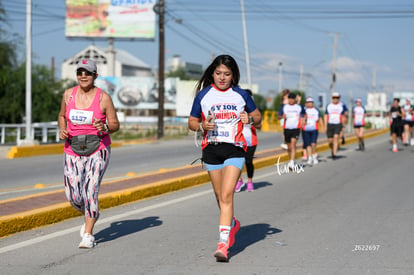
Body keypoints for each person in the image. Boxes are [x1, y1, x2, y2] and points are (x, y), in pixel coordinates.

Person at [188, 55, 262, 262]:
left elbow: (258, 117)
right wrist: (202, 126)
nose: (222, 78)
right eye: (218, 73)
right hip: (211, 150)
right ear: (212, 73)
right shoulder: (204, 95)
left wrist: (250, 119)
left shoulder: (240, 94)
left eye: (227, 74)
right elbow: (192, 121)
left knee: (227, 195)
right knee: (219, 195)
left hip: (235, 149)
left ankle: (223, 244)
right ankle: (232, 224)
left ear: (233, 75)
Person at [58, 59, 119, 248]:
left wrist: (104, 127)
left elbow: (115, 124)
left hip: (98, 149)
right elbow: (61, 116)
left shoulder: (103, 98)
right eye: (80, 72)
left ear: (95, 76)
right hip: (72, 149)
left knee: (90, 190)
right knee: (74, 196)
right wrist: (62, 129)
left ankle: (88, 234)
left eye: (88, 72)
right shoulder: (68, 95)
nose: (83, 76)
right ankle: (91, 213)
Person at [235, 89, 261, 192]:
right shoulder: (237, 109)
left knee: (248, 162)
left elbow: (259, 125)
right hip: (238, 140)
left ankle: (250, 181)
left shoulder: (253, 112)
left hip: (251, 141)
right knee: (237, 162)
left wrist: (250, 120)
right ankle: (240, 180)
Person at [278, 92, 305, 170]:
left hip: (296, 129)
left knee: (293, 144)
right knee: (289, 147)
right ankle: (291, 160)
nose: (291, 100)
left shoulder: (299, 107)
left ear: (295, 100)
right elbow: (279, 117)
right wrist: (282, 116)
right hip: (287, 129)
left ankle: (292, 162)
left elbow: (304, 114)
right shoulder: (284, 107)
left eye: (292, 99)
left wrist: (303, 122)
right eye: (289, 98)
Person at [324, 92, 348, 160]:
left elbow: (344, 116)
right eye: (334, 98)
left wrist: (343, 126)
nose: (335, 99)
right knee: (330, 141)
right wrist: (325, 126)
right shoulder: (329, 106)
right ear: (332, 98)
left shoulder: (341, 106)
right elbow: (326, 116)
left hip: (338, 124)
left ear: (339, 98)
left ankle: (334, 154)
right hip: (330, 124)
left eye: (337, 98)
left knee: (336, 137)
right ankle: (333, 149)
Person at [302, 97, 323, 165]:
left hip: (314, 129)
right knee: (308, 144)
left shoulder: (316, 110)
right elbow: (301, 119)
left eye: (311, 102)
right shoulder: (304, 110)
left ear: (313, 103)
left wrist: (322, 126)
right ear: (306, 103)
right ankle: (310, 158)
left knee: (313, 144)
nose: (309, 103)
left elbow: (320, 119)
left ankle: (314, 156)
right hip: (305, 129)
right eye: (308, 102)